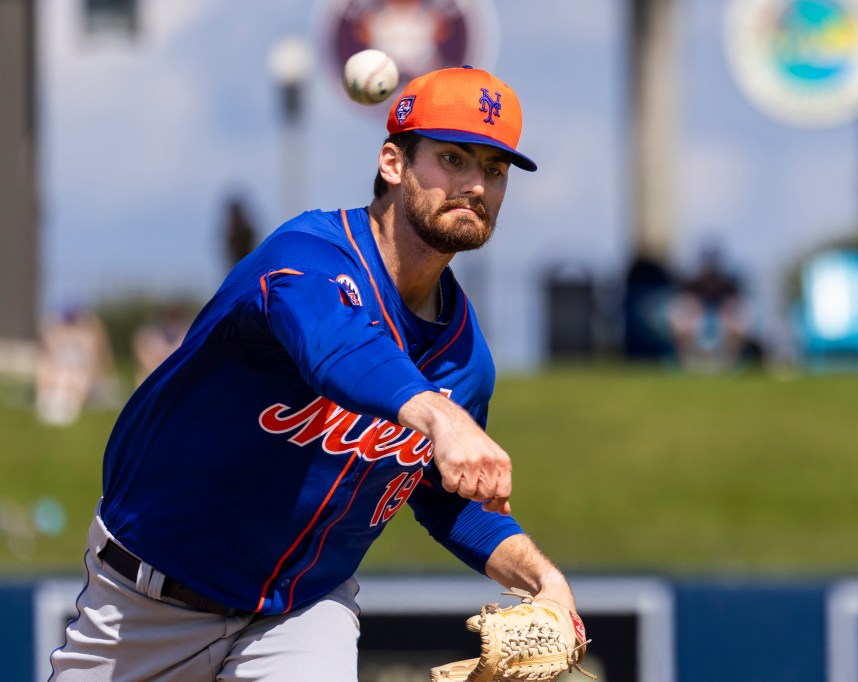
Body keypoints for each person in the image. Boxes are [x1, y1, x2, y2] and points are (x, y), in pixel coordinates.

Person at [50, 66, 581, 680]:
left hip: (300, 614)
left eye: (493, 170)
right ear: (393, 162)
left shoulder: (465, 360)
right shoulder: (303, 257)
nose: (475, 185)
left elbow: (444, 499)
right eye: (453, 158)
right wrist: (437, 415)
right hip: (149, 602)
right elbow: (337, 348)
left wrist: (543, 578)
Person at [667, 244, 753, 369]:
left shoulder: (728, 285)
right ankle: (687, 364)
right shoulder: (692, 284)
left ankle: (730, 364)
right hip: (697, 325)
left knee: (738, 323)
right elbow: (681, 305)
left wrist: (727, 317)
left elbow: (737, 305)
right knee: (680, 322)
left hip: (721, 324)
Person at [34, 305, 116, 426]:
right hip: (61, 373)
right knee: (48, 369)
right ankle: (49, 399)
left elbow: (95, 362)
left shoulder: (88, 338)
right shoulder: (56, 336)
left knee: (77, 376)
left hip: (79, 375)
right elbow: (46, 348)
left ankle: (68, 403)